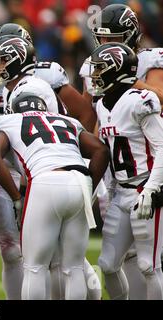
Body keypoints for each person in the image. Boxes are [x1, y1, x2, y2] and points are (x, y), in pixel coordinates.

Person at [0, 90, 109, 299]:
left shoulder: (7, 121)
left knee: (34, 267)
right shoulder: (65, 120)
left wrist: (16, 197)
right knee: (74, 268)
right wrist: (88, 189)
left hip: (44, 181)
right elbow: (101, 151)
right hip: (78, 181)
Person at [79, 4, 163, 299]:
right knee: (111, 262)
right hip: (118, 182)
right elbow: (88, 127)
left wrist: (124, 77)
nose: (103, 46)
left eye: (111, 39)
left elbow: (159, 98)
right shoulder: (103, 99)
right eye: (101, 39)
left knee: (149, 263)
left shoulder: (149, 69)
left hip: (149, 174)